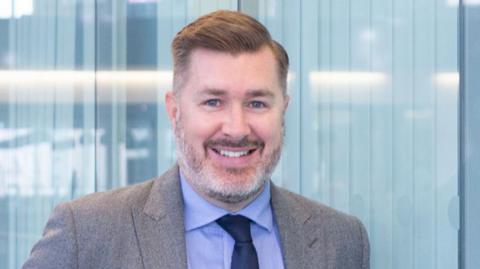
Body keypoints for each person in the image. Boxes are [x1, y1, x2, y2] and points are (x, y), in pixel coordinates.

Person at [22, 10, 369, 269]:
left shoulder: (342, 239)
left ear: (283, 110)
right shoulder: (85, 233)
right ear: (174, 112)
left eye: (257, 103)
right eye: (213, 102)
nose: (236, 128)